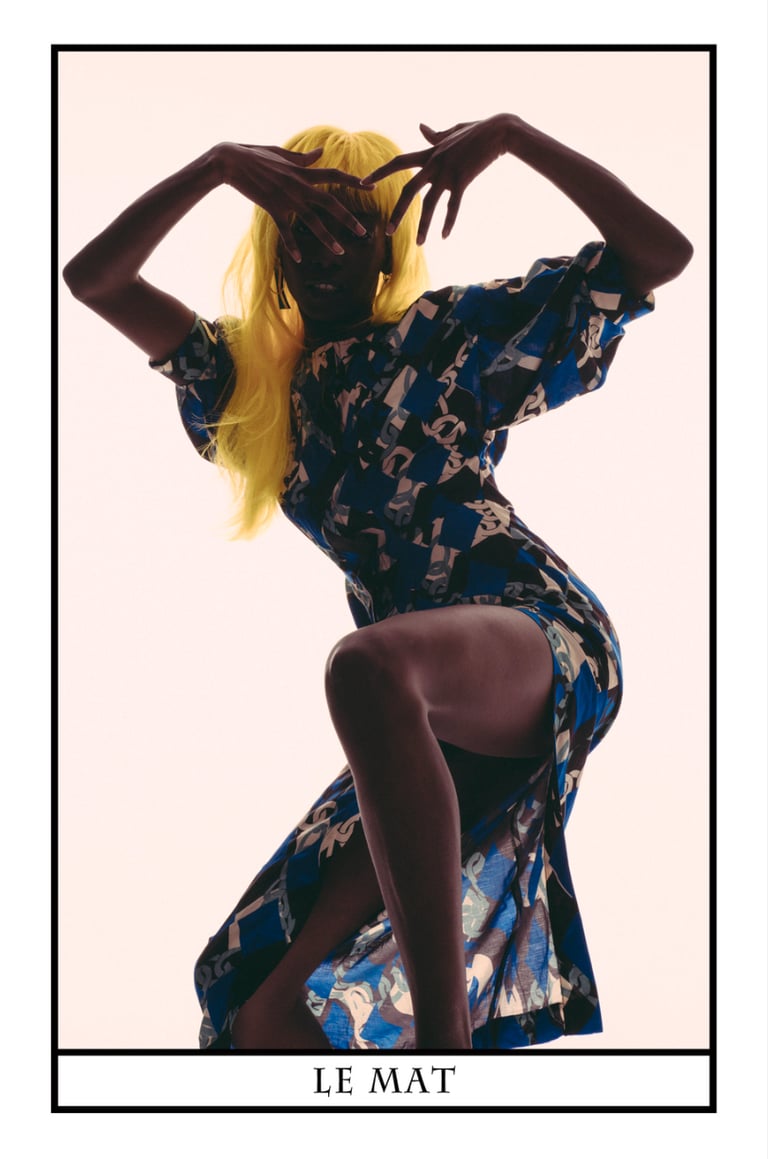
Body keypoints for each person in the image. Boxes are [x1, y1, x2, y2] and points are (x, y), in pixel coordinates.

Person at [63, 113, 693, 1052]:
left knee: (365, 665)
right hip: (410, 707)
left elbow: (657, 256)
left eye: (350, 229)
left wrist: (515, 137)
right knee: (252, 1001)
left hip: (534, 635)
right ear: (276, 259)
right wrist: (217, 165)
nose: (324, 249)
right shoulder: (245, 386)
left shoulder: (443, 340)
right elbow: (95, 280)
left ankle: (446, 1060)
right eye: (302, 230)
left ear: (387, 250)